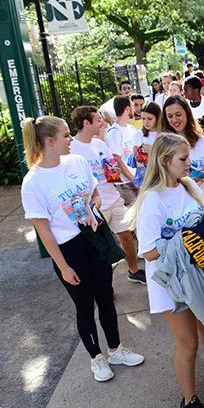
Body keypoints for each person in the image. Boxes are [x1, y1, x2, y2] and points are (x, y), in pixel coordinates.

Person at [20, 115, 145, 382]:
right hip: (69, 250)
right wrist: (64, 267)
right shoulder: (33, 182)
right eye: (66, 135)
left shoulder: (76, 162)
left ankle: (116, 349)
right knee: (85, 306)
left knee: (105, 298)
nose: (70, 140)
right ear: (50, 141)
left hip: (95, 237)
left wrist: (92, 208)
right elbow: (44, 231)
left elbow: (95, 193)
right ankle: (96, 358)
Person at [129, 133, 204, 408]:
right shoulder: (151, 201)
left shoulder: (188, 186)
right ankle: (189, 402)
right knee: (188, 343)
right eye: (183, 159)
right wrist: (184, 241)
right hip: (170, 283)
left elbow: (201, 227)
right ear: (164, 161)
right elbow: (148, 251)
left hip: (197, 273)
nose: (190, 164)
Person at [70, 106, 146, 285]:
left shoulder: (100, 143)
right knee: (101, 249)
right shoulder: (71, 148)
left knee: (126, 235)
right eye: (97, 120)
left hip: (113, 198)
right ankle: (105, 285)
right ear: (86, 123)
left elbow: (111, 166)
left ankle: (133, 271)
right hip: (95, 206)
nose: (102, 123)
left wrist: (116, 173)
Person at [160, 96, 204, 199]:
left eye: (178, 115)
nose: (175, 120)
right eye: (170, 116)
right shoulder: (162, 146)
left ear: (187, 114)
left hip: (203, 200)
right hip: (175, 203)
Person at [104, 96, 138, 205]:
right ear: (127, 109)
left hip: (137, 178)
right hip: (126, 183)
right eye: (132, 106)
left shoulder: (131, 128)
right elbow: (116, 160)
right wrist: (133, 179)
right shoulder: (114, 132)